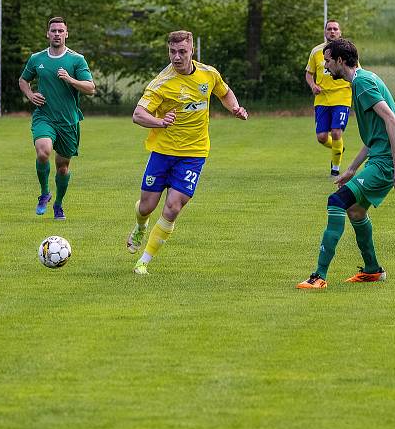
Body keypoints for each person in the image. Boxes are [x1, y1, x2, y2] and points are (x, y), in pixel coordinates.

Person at [126, 30, 248, 275]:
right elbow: (138, 115)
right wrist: (160, 122)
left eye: (182, 51)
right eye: (172, 52)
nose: (177, 57)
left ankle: (144, 261)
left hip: (194, 153)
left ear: (192, 50)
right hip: (162, 152)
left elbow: (224, 92)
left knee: (173, 207)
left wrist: (234, 107)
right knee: (146, 207)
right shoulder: (161, 83)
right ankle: (140, 226)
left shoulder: (209, 74)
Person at [297, 38, 395, 289]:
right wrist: (351, 169)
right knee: (356, 211)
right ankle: (372, 271)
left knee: (337, 201)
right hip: (382, 157)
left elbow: (392, 120)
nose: (325, 67)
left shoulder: (362, 83)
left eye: (328, 61)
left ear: (340, 60)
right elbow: (374, 137)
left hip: (386, 162)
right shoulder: (362, 80)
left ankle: (319, 276)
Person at [19, 16, 96, 220]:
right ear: (47, 33)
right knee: (43, 152)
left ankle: (58, 204)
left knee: (62, 167)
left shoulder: (76, 59)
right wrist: (30, 94)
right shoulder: (37, 59)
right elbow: (23, 80)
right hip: (44, 116)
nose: (57, 34)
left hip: (68, 121)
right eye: (53, 30)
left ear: (66, 34)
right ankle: (44, 193)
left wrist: (70, 79)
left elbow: (90, 88)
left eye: (61, 31)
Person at [305, 19, 351, 176]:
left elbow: (356, 71)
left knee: (336, 131)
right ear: (325, 32)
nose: (332, 31)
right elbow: (309, 74)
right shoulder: (316, 52)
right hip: (322, 99)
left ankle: (335, 170)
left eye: (335, 29)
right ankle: (338, 148)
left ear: (340, 32)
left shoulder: (347, 51)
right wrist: (313, 86)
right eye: (329, 28)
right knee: (322, 137)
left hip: (342, 96)